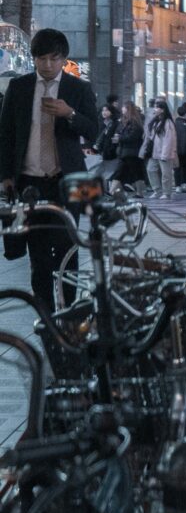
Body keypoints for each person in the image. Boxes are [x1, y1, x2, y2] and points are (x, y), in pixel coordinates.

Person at [0, 28, 99, 311]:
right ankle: (45, 314)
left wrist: (70, 114)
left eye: (53, 59)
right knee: (38, 255)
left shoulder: (78, 89)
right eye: (41, 58)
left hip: (67, 182)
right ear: (33, 59)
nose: (46, 65)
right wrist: (5, 176)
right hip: (29, 183)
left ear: (64, 59)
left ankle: (69, 311)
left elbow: (94, 132)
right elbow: (5, 135)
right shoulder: (19, 88)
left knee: (68, 250)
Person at [110, 102, 147, 197]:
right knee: (121, 172)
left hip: (132, 152)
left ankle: (112, 192)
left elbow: (132, 136)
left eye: (124, 108)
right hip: (125, 151)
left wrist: (120, 138)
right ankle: (111, 192)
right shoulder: (125, 122)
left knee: (134, 172)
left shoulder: (135, 123)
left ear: (128, 109)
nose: (122, 110)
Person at [142, 100, 177, 199]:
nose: (155, 109)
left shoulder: (168, 122)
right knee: (150, 169)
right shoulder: (156, 121)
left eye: (157, 107)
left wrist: (165, 154)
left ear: (163, 110)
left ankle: (166, 192)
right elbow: (150, 136)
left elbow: (169, 139)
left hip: (164, 153)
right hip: (155, 152)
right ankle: (157, 190)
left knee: (166, 173)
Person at [92, 103, 121, 187]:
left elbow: (114, 138)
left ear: (111, 112)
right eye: (103, 110)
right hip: (101, 151)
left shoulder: (115, 123)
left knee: (109, 172)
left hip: (112, 152)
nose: (104, 112)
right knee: (101, 172)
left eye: (106, 110)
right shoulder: (100, 122)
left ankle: (110, 191)